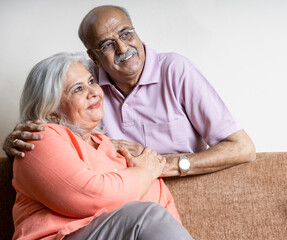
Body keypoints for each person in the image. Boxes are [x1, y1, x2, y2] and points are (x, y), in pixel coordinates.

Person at [3, 5, 255, 177]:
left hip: (180, 189)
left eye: (126, 34)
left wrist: (162, 165)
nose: (124, 48)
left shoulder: (176, 70)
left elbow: (242, 147)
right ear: (94, 56)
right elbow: (53, 136)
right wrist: (17, 142)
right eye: (108, 44)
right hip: (114, 199)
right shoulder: (84, 84)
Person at [12, 52, 193, 240]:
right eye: (77, 89)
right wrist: (146, 172)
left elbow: (164, 208)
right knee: (146, 215)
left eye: (91, 82)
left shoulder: (112, 147)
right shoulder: (37, 138)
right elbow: (92, 195)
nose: (94, 92)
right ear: (52, 109)